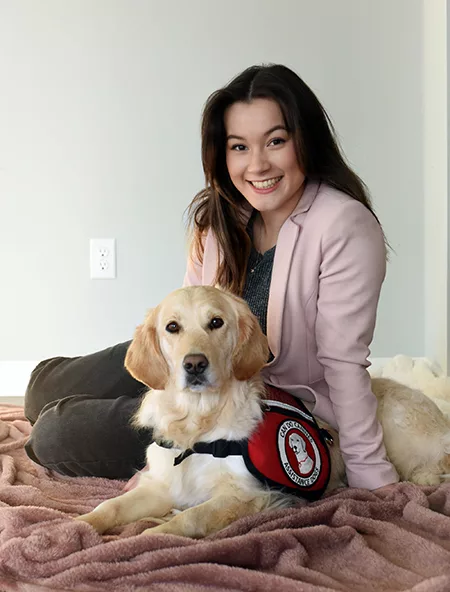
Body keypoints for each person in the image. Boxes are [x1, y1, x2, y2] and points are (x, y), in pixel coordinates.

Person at [24, 64, 399, 492]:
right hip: (191, 357)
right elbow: (188, 308)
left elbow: (342, 363)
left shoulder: (344, 226)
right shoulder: (218, 215)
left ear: (305, 141)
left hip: (245, 403)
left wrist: (372, 477)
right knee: (40, 387)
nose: (257, 165)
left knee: (53, 432)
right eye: (239, 146)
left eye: (275, 141)